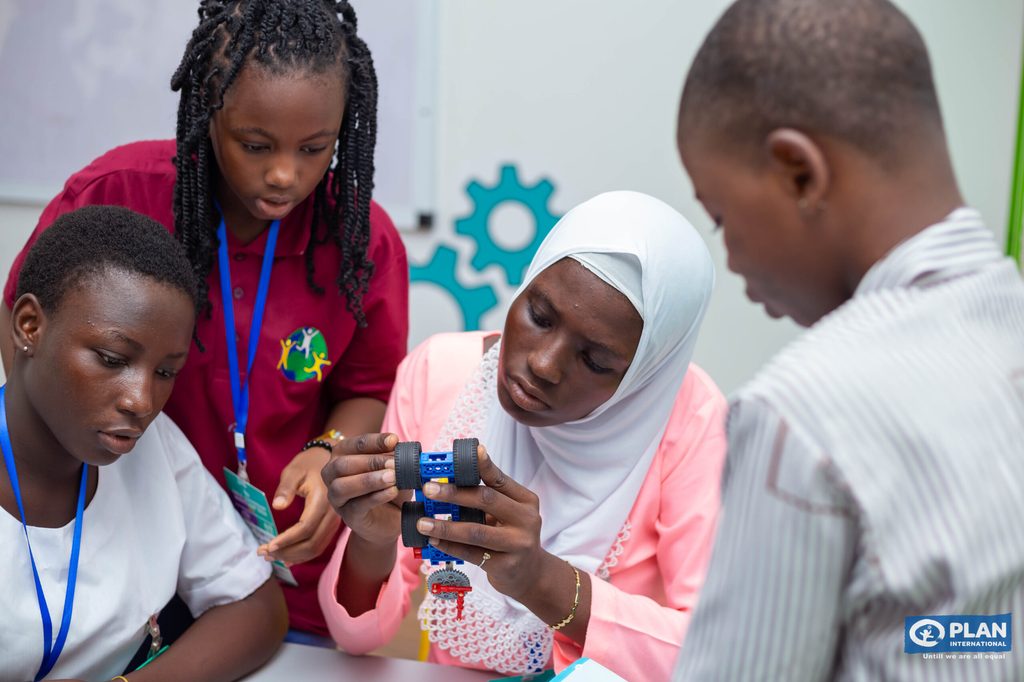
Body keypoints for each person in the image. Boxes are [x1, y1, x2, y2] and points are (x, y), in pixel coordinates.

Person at [1, 0, 408, 637]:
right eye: (255, 145)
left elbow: (367, 386)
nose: (284, 175)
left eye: (314, 149)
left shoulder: (362, 242)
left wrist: (329, 450)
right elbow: (24, 321)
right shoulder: (117, 193)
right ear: (207, 110)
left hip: (279, 570)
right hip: (119, 551)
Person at [671, 1, 1024, 679]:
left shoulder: (801, 410)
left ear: (799, 172)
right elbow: (971, 635)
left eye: (720, 218)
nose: (733, 260)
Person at [318, 191, 727, 680]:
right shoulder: (440, 375)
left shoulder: (694, 423)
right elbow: (357, 638)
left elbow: (718, 654)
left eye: (595, 361)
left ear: (644, 376)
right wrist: (371, 541)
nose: (543, 364)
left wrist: (541, 581)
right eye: (539, 315)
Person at [0, 205, 287, 681]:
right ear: (30, 325)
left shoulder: (152, 447)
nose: (142, 400)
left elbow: (256, 606)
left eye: (166, 372)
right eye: (112, 359)